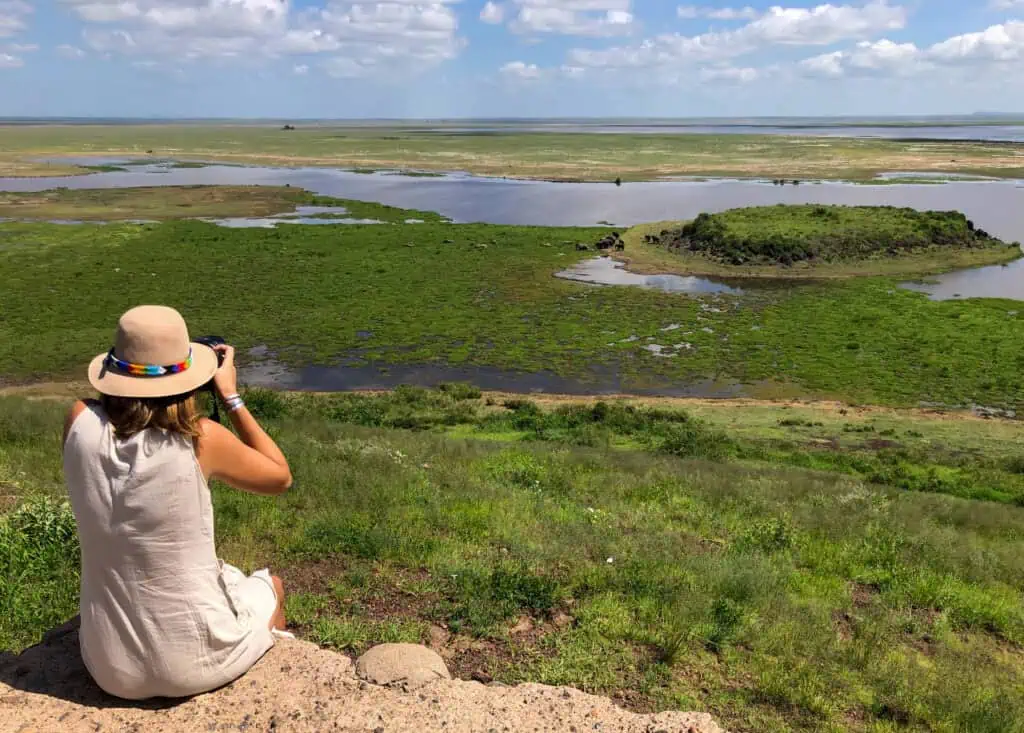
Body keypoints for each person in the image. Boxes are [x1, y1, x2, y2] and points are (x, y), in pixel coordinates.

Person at [61, 305, 293, 700]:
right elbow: (279, 477)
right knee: (271, 585)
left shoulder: (78, 420)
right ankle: (283, 678)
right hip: (196, 664)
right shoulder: (201, 438)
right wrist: (230, 395)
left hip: (109, 669)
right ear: (189, 378)